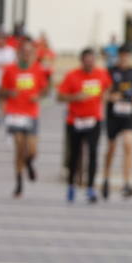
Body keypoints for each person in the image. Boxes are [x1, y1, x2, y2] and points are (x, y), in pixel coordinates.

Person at [56, 48, 112, 204]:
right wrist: (75, 97)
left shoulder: (101, 74)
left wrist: (106, 95)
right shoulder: (72, 75)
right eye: (86, 60)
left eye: (92, 60)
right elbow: (59, 97)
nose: (89, 63)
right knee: (74, 155)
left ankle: (90, 188)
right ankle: (71, 185)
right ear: (82, 61)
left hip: (94, 120)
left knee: (93, 153)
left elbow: (108, 87)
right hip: (75, 121)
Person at [0, 39, 49, 198]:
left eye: (29, 52)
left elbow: (46, 89)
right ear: (19, 53)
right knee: (19, 147)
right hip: (15, 113)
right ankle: (19, 182)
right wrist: (8, 94)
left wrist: (39, 96)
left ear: (33, 54)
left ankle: (29, 162)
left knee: (32, 150)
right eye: (24, 52)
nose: (26, 55)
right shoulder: (10, 70)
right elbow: (1, 91)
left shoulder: (37, 70)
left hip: (31, 113)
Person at [102, 45, 132, 199]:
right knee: (111, 148)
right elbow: (104, 93)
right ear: (119, 56)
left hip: (128, 114)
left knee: (128, 145)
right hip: (114, 114)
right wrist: (112, 97)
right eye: (122, 55)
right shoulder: (111, 71)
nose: (125, 58)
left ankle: (127, 182)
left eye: (127, 55)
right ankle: (106, 177)